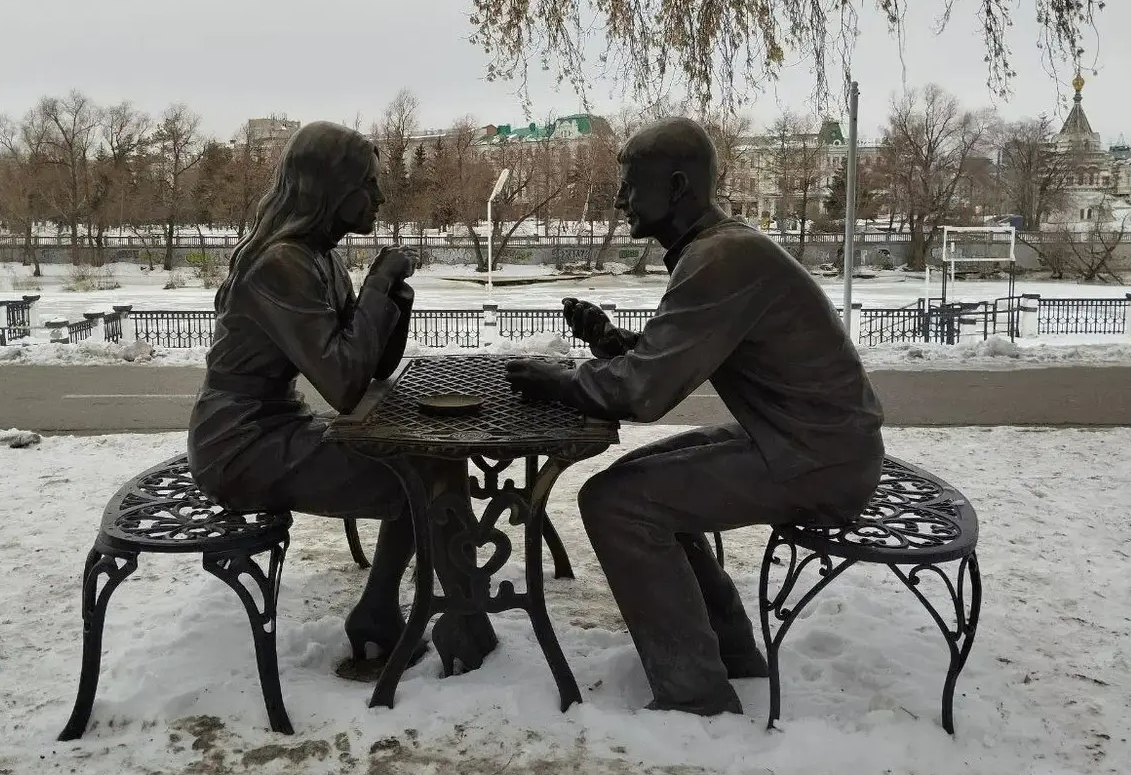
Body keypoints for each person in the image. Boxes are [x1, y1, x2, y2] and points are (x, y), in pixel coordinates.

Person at [505, 117, 885, 717]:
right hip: (807, 442)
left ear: (678, 187)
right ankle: (729, 651)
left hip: (816, 460)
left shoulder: (721, 258)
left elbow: (646, 393)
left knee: (616, 502)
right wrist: (611, 342)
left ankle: (693, 693)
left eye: (631, 184)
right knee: (639, 478)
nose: (619, 198)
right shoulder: (721, 250)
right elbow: (666, 359)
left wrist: (558, 381)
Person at [187, 121, 424, 678]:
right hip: (239, 443)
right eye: (369, 183)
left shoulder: (323, 259)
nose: (381, 197)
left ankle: (390, 611)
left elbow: (369, 370)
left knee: (427, 467)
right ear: (333, 190)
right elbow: (344, 387)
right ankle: (382, 617)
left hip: (271, 427)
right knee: (421, 477)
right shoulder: (282, 263)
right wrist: (374, 290)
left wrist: (393, 299)